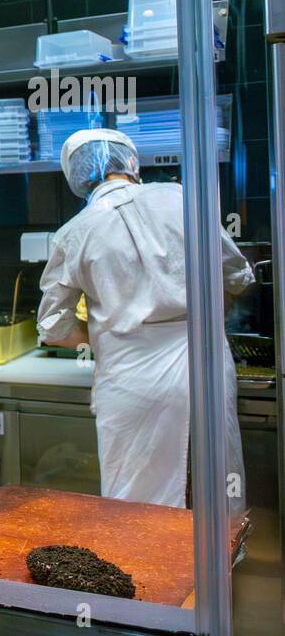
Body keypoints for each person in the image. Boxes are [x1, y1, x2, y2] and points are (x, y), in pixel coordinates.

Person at [36, 129, 253, 510]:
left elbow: (53, 328)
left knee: (135, 499)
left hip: (129, 377)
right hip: (204, 362)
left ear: (76, 177)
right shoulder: (181, 197)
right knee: (216, 483)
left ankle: (145, 570)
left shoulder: (74, 232)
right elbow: (238, 274)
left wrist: (102, 336)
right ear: (132, 161)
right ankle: (218, 567)